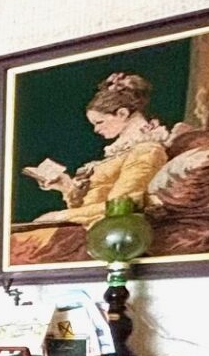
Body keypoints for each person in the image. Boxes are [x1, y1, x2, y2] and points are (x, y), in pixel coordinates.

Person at [10, 72, 169, 266]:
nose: (96, 130)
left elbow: (121, 206)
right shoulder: (122, 150)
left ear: (122, 114)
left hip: (106, 234)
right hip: (88, 225)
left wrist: (60, 216)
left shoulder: (147, 150)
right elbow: (94, 200)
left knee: (19, 247)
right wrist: (65, 186)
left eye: (99, 122)